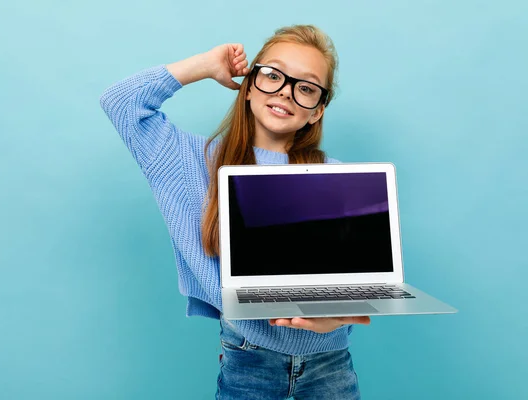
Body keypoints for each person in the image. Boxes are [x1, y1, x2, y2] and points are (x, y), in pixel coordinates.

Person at [100, 24, 371, 400]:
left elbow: (355, 281)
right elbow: (120, 102)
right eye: (273, 75)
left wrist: (334, 318)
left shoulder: (336, 176)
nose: (285, 93)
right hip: (250, 361)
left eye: (306, 87)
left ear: (317, 111)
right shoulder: (191, 161)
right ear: (248, 86)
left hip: (330, 363)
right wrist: (205, 65)